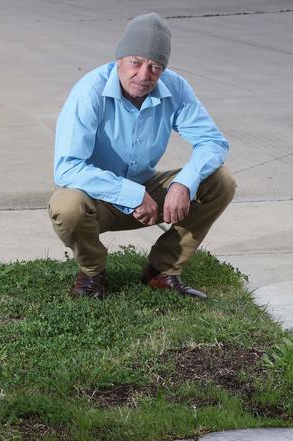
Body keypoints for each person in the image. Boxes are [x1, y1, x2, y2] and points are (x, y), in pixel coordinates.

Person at [48, 12, 235, 300]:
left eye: (155, 67)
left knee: (220, 180)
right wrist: (131, 194)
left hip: (148, 195)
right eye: (135, 63)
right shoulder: (88, 92)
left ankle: (162, 270)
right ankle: (92, 273)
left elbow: (212, 142)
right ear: (119, 59)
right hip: (96, 199)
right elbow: (67, 168)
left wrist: (184, 183)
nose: (144, 75)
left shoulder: (175, 87)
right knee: (66, 204)